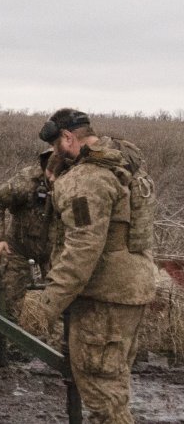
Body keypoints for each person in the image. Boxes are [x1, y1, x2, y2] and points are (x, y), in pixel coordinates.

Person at [31, 108, 157, 424]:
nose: (54, 153)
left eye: (55, 145)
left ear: (67, 137)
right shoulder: (121, 163)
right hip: (131, 290)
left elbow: (81, 251)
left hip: (104, 298)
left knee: (104, 398)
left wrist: (46, 305)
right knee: (113, 386)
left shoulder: (86, 180)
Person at [0, 149, 57, 365]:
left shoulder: (75, 181)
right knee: (6, 299)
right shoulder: (26, 181)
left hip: (56, 250)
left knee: (63, 302)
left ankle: (60, 354)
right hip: (18, 247)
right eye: (50, 167)